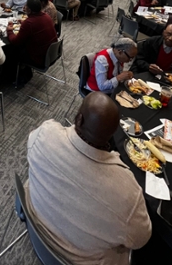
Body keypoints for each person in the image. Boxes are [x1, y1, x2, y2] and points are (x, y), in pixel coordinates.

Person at [26, 92, 152, 265]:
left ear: (79, 119)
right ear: (111, 135)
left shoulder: (44, 133)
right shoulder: (128, 192)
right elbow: (141, 240)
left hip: (34, 226)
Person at [7, 0, 57, 68]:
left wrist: (9, 31)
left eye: (25, 7)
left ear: (29, 10)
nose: (24, 8)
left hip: (40, 59)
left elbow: (15, 41)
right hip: (53, 53)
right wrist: (23, 23)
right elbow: (37, 25)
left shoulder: (29, 23)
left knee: (12, 50)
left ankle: (19, 74)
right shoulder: (46, 16)